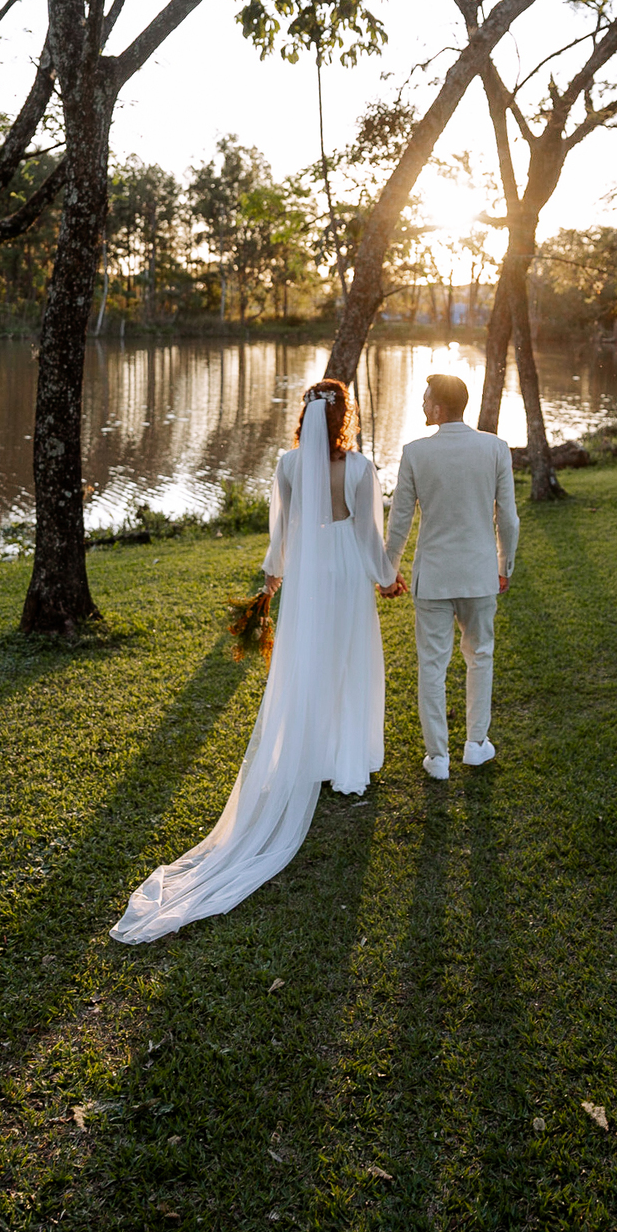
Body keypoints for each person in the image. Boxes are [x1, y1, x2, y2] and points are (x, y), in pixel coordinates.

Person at [111, 380, 401, 944]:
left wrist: (274, 576)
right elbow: (368, 532)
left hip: (312, 575)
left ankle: (312, 755)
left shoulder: (289, 465)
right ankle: (348, 763)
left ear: (305, 416)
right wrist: (386, 577)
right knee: (349, 662)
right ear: (345, 417)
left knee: (308, 663)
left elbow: (283, 531)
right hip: (346, 571)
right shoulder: (362, 467)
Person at [384, 372, 519, 782]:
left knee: (432, 665)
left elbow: (400, 522)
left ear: (440, 408)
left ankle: (437, 757)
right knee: (480, 657)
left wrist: (388, 570)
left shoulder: (414, 453)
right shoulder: (495, 448)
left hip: (435, 579)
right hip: (479, 574)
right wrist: (504, 565)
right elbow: (508, 519)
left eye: (426, 400)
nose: (422, 405)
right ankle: (476, 745)